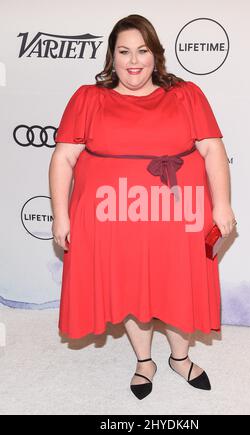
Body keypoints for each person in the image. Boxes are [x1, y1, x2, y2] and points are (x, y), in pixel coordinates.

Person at [49, 14, 237, 400]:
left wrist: (223, 207)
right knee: (132, 288)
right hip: (112, 217)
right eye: (124, 51)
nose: (133, 61)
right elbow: (64, 159)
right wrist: (60, 215)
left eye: (142, 50)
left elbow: (212, 148)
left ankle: (180, 359)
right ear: (112, 57)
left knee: (178, 286)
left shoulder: (186, 95)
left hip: (178, 215)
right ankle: (144, 361)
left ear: (156, 55)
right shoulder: (88, 99)